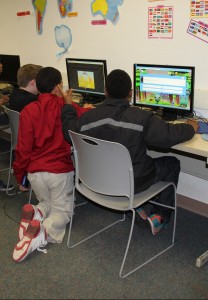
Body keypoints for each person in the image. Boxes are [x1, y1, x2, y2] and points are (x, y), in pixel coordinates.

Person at [61, 69, 199, 236]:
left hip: (96, 181)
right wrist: (190, 127)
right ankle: (160, 216)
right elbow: (168, 136)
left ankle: (138, 205)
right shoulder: (142, 118)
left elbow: (69, 131)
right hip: (131, 183)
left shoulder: (87, 118)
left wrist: (68, 106)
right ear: (131, 93)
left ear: (105, 91)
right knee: (172, 163)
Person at [12, 67, 93, 262]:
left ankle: (37, 211)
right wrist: (79, 106)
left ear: (38, 87)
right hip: (59, 173)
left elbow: (23, 150)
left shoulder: (28, 111)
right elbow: (85, 115)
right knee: (64, 212)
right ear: (58, 86)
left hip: (35, 175)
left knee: (47, 202)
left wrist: (20, 177)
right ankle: (40, 234)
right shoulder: (66, 108)